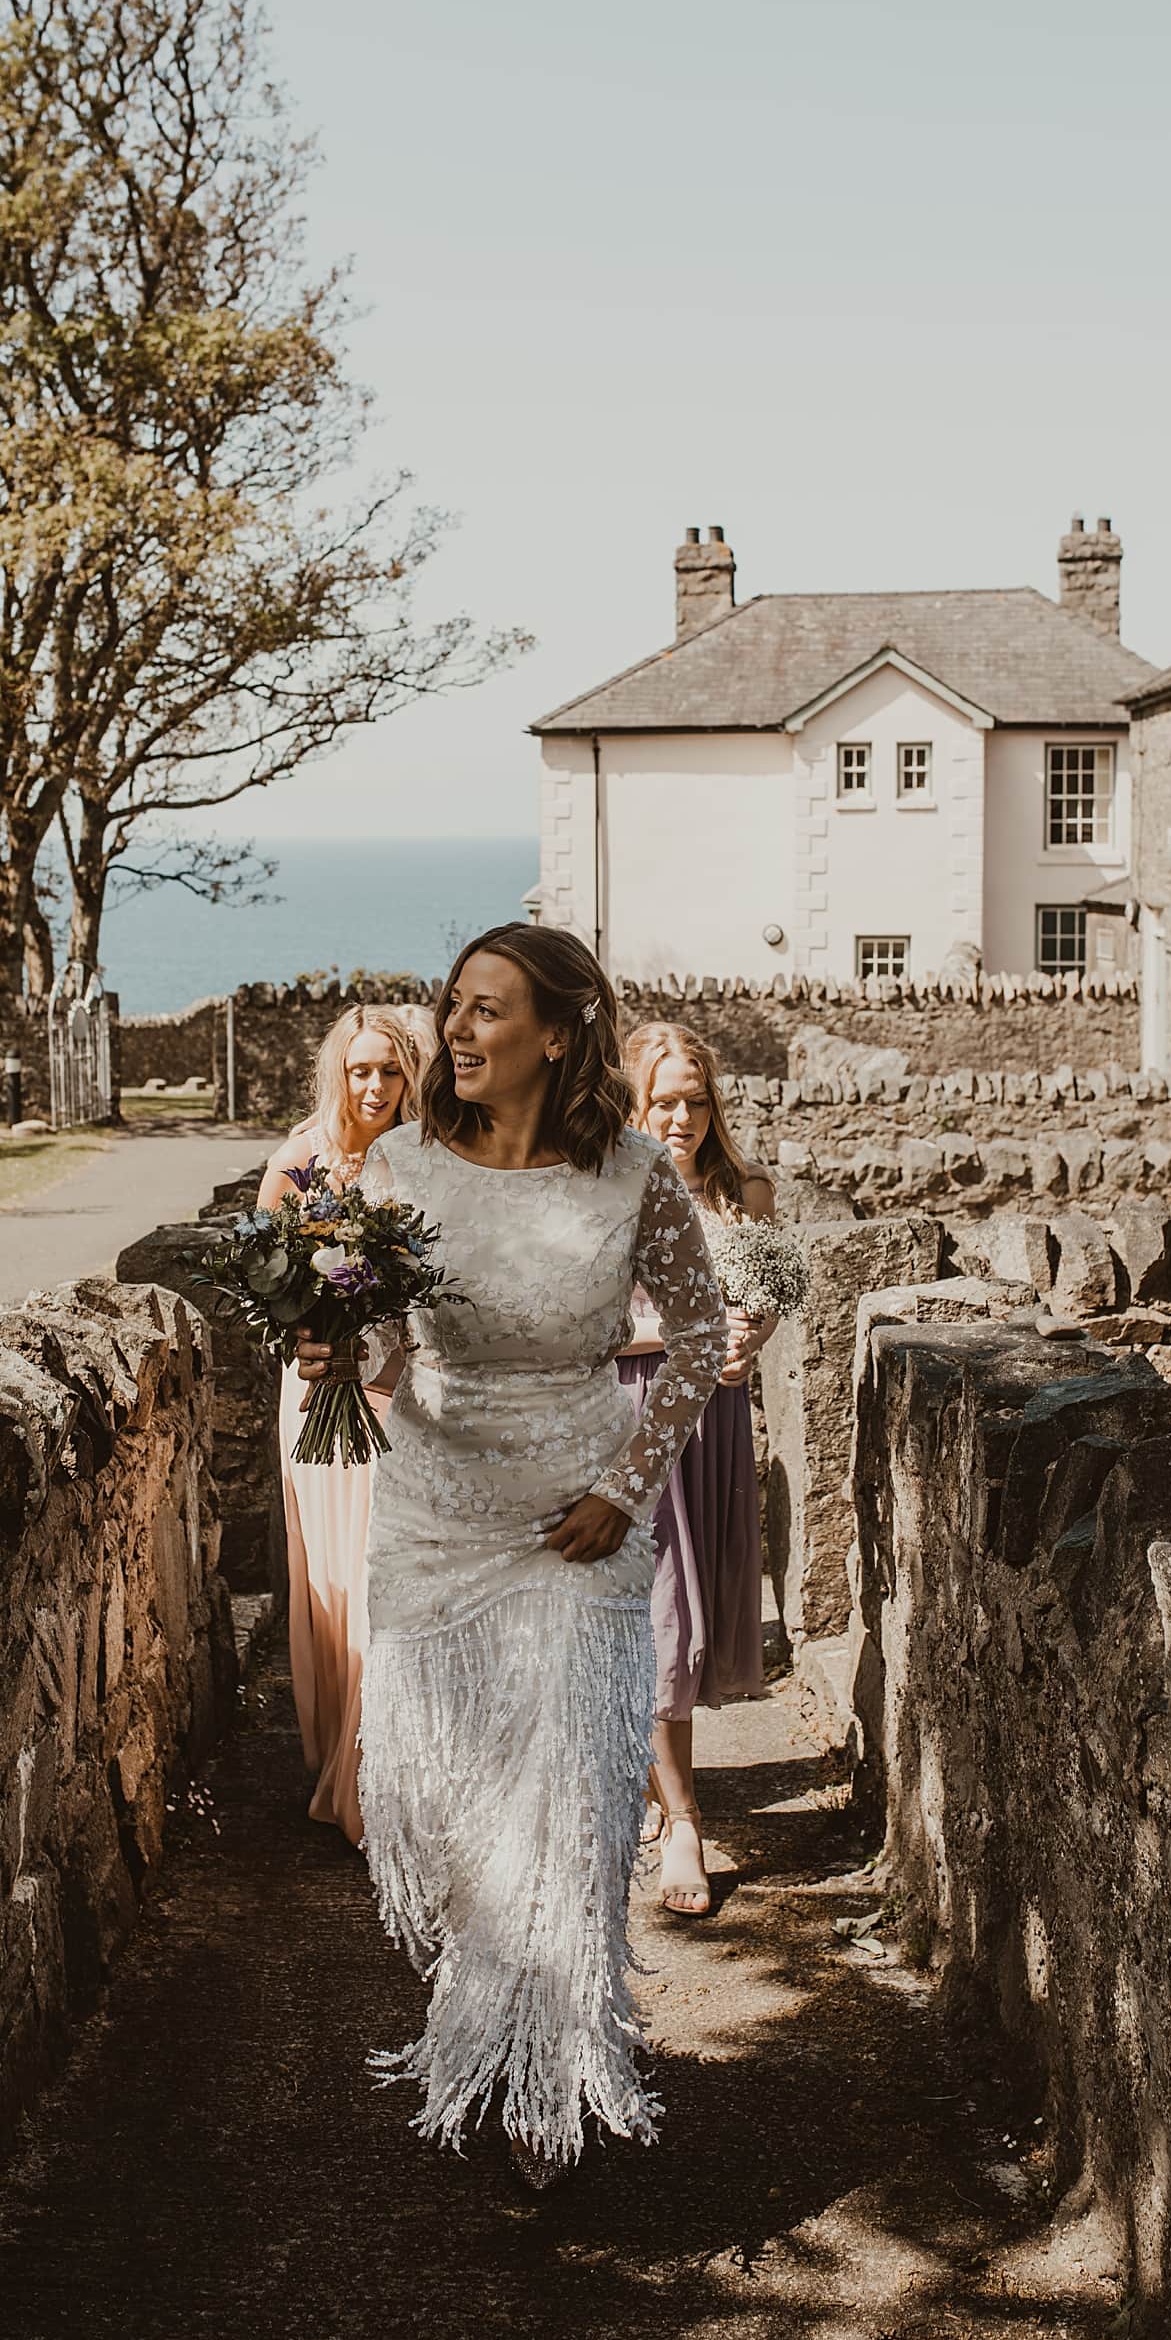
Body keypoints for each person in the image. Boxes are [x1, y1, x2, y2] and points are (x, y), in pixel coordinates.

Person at [297, 924, 727, 2186]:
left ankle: (553, 2081)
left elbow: (698, 1337)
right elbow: (382, 1350)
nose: (462, 1033)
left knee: (575, 1805)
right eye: (456, 1008)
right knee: (448, 1812)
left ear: (557, 1033)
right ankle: (491, 2022)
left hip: (578, 1521)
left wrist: (622, 1484)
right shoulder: (401, 1170)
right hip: (436, 1517)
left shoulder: (634, 1172)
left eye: (490, 1012)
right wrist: (338, 1353)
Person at [619, 1021, 777, 1916]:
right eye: (663, 1100)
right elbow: (586, 1328)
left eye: (695, 1099)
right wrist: (687, 1337)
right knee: (662, 1614)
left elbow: (763, 1304)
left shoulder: (744, 1191)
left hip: (715, 1424)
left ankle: (651, 1785)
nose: (680, 1117)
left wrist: (749, 1341)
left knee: (685, 1609)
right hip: (635, 1416)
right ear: (635, 1102)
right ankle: (686, 1822)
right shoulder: (606, 1191)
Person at [259, 1004, 426, 1847]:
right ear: (339, 1071)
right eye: (360, 1070)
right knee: (327, 1582)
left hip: (396, 1394)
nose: (374, 1086)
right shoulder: (297, 1162)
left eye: (389, 1072)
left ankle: (377, 1775)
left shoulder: (423, 1159)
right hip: (319, 1392)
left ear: (409, 1077)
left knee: (379, 1579)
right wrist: (314, 1333)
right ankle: (338, 1766)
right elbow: (271, 1290)